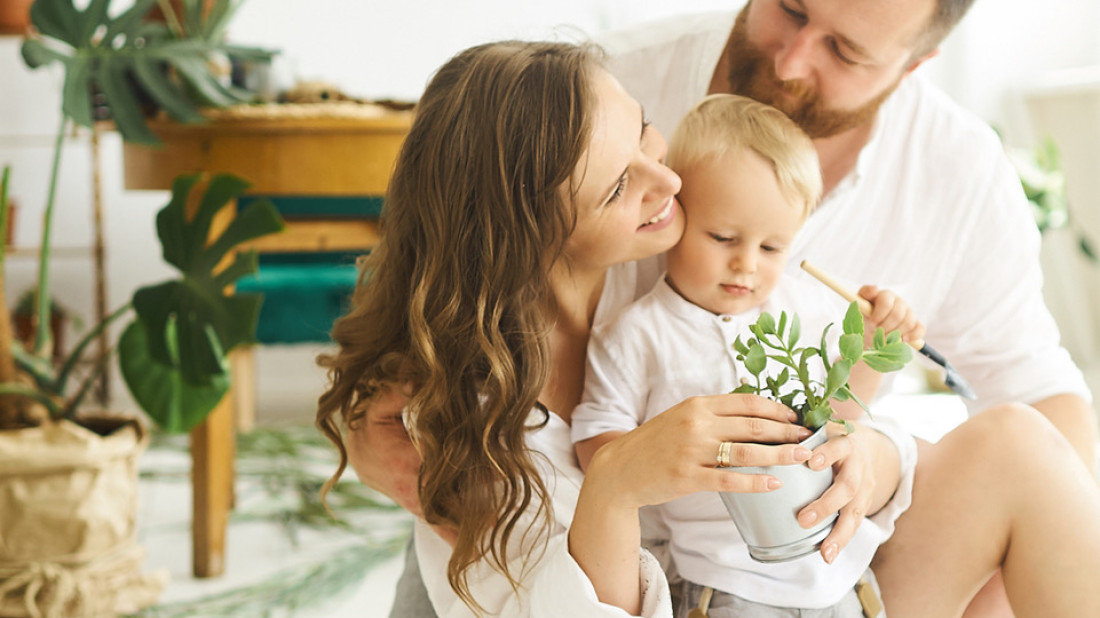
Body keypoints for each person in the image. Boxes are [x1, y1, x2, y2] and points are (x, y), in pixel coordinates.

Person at [317, 39, 1100, 618]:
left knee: (1019, 442)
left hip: (810, 577)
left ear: (918, 57)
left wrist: (875, 455)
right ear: (530, 231)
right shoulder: (479, 424)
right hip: (701, 599)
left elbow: (843, 414)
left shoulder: (692, 267)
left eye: (648, 130)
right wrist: (619, 483)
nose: (673, 180)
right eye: (622, 182)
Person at [571, 93, 925, 615]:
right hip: (724, 579)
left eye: (771, 248)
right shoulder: (636, 333)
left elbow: (841, 421)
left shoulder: (806, 310)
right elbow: (599, 449)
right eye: (722, 237)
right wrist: (653, 455)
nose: (745, 265)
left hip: (835, 572)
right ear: (677, 213)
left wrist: (873, 348)